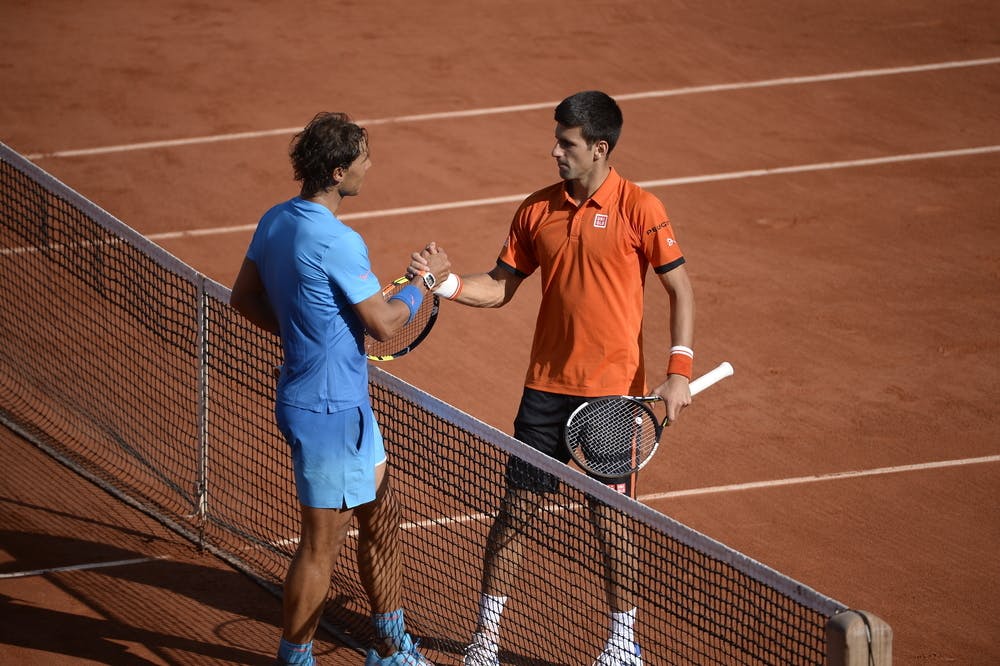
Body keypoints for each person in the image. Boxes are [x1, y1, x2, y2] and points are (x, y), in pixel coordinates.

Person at [410, 91, 695, 666]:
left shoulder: (641, 207)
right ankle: (485, 641)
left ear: (599, 147)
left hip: (612, 397)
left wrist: (679, 371)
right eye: (556, 140)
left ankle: (622, 644)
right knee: (515, 512)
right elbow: (499, 286)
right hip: (544, 390)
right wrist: (444, 285)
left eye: (566, 143)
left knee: (611, 521)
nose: (554, 151)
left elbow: (679, 289)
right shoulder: (535, 210)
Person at [231, 112, 450, 666]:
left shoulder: (276, 220)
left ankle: (392, 645)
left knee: (382, 515)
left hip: (330, 401)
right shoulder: (338, 241)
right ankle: (295, 658)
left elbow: (245, 298)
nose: (369, 166)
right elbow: (384, 324)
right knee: (320, 545)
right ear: (336, 172)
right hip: (330, 411)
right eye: (362, 159)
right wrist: (423, 284)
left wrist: (308, 329)